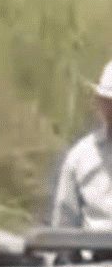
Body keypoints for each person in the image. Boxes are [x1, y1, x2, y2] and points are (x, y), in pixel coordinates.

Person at [49, 59, 112, 230]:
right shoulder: (82, 157)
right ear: (100, 103)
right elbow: (63, 227)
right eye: (109, 102)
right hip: (95, 255)